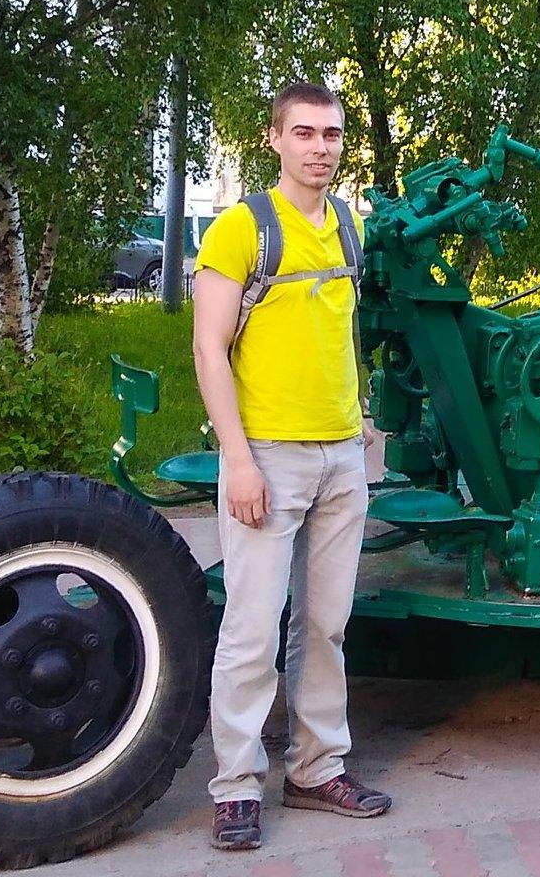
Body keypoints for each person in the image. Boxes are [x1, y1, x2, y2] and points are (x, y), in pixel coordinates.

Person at [191, 81, 389, 850]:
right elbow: (210, 349)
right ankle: (237, 787)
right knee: (250, 629)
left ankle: (315, 769)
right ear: (273, 139)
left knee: (326, 625)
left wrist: (362, 425)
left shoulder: (347, 225)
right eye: (303, 133)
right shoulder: (243, 230)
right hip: (266, 458)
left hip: (341, 457)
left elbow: (339, 334)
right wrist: (237, 460)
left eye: (331, 134)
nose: (319, 147)